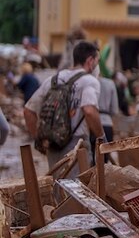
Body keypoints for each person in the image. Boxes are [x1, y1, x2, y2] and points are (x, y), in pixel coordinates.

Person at [23, 41, 104, 177]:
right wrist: (101, 137)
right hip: (78, 144)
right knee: (78, 192)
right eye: (97, 60)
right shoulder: (89, 81)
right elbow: (89, 110)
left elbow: (28, 111)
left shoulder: (52, 80)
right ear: (90, 61)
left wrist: (38, 138)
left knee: (57, 189)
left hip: (53, 143)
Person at [96, 72, 122, 161]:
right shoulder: (110, 83)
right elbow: (115, 109)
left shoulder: (87, 81)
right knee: (104, 160)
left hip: (91, 123)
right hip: (107, 123)